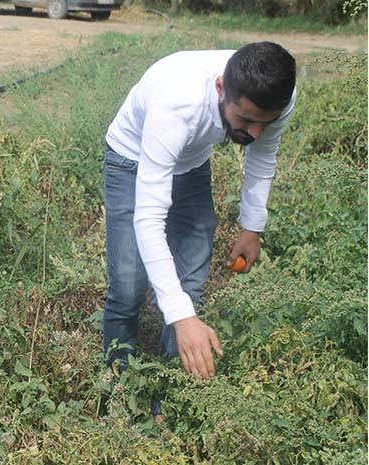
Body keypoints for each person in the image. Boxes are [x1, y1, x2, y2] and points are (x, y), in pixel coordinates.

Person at [102, 42, 296, 393]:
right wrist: (181, 316)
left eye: (264, 123)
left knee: (190, 284)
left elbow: (263, 157)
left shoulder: (278, 94)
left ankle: (170, 398)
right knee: (129, 286)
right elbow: (149, 219)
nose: (255, 133)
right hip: (131, 160)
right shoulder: (176, 105)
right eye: (246, 120)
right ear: (221, 87)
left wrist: (252, 227)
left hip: (191, 165)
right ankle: (119, 392)